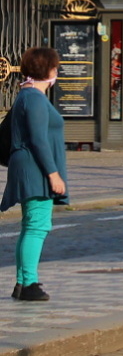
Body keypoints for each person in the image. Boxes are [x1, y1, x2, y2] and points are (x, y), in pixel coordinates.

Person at [1, 48, 67, 302]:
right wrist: (53, 174)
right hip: (35, 169)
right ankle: (29, 283)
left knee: (30, 226)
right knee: (38, 226)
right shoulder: (36, 99)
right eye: (55, 68)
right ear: (49, 70)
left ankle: (22, 281)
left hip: (27, 165)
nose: (56, 72)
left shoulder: (25, 95)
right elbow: (39, 139)